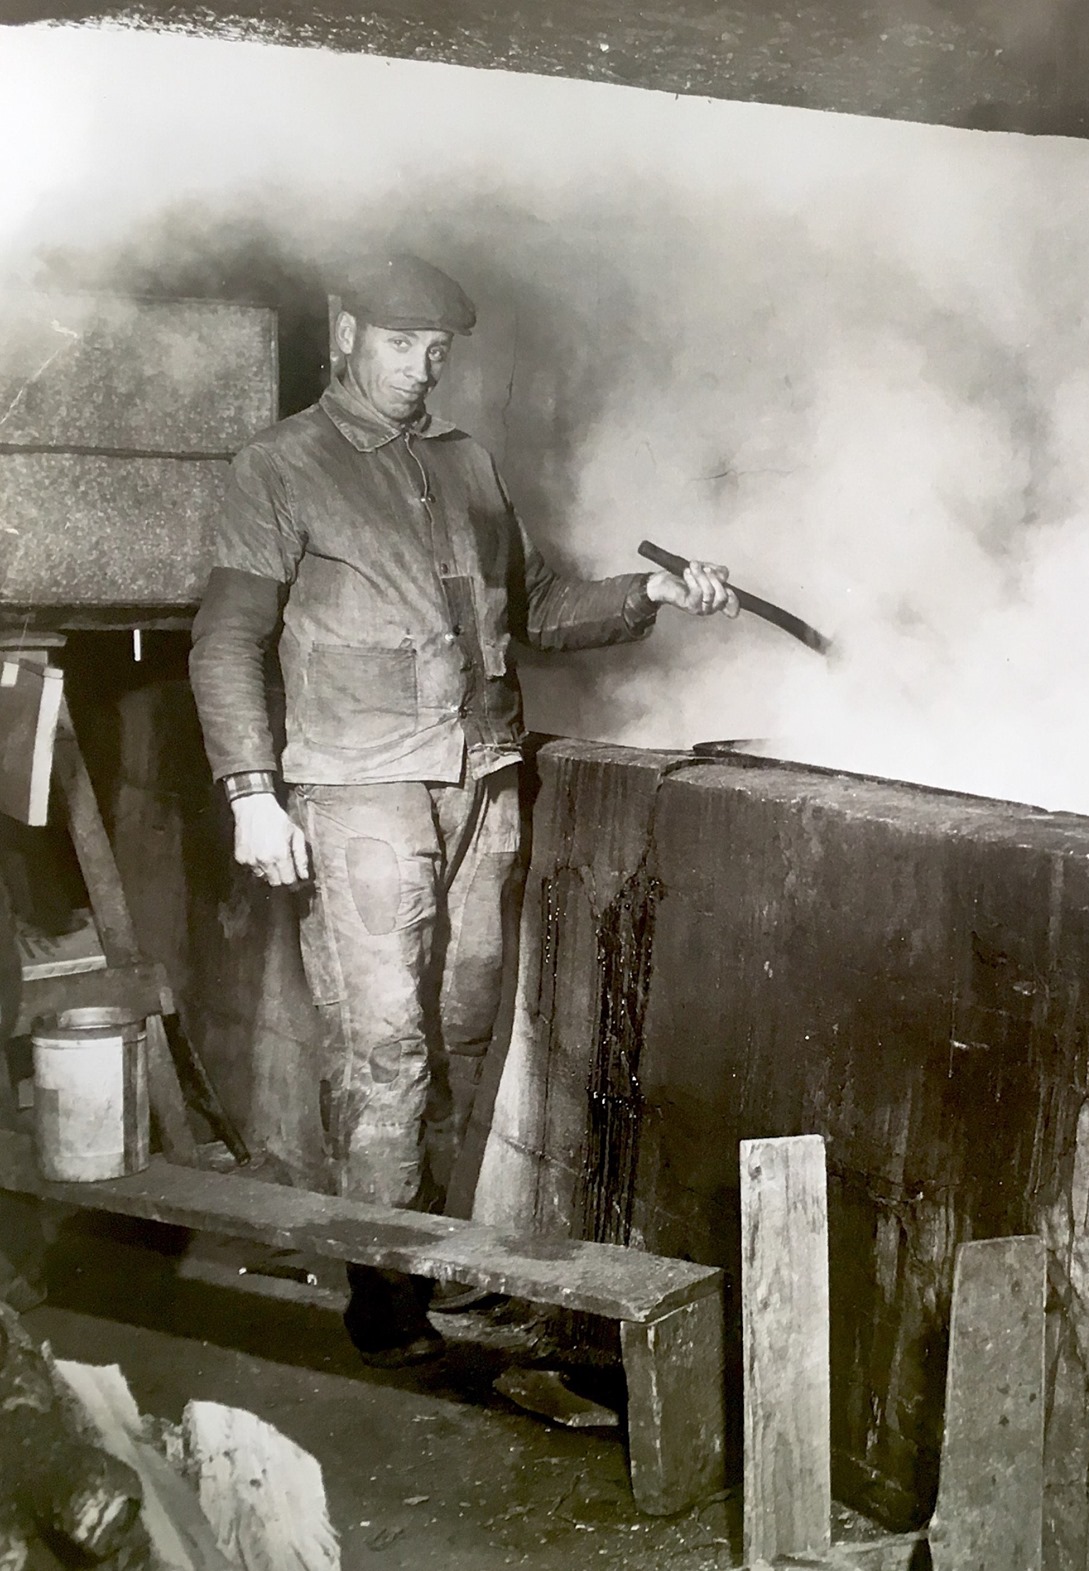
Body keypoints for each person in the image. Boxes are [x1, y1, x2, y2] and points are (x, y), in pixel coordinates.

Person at [187, 255, 738, 1366]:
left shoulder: (468, 464)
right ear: (346, 332)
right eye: (398, 341)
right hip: (358, 788)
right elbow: (227, 639)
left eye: (437, 347)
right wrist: (251, 792)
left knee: (463, 1033)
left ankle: (431, 1259)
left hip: (482, 784)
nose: (420, 363)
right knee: (384, 1045)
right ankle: (383, 1294)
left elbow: (533, 606)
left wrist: (651, 593)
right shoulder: (280, 464)